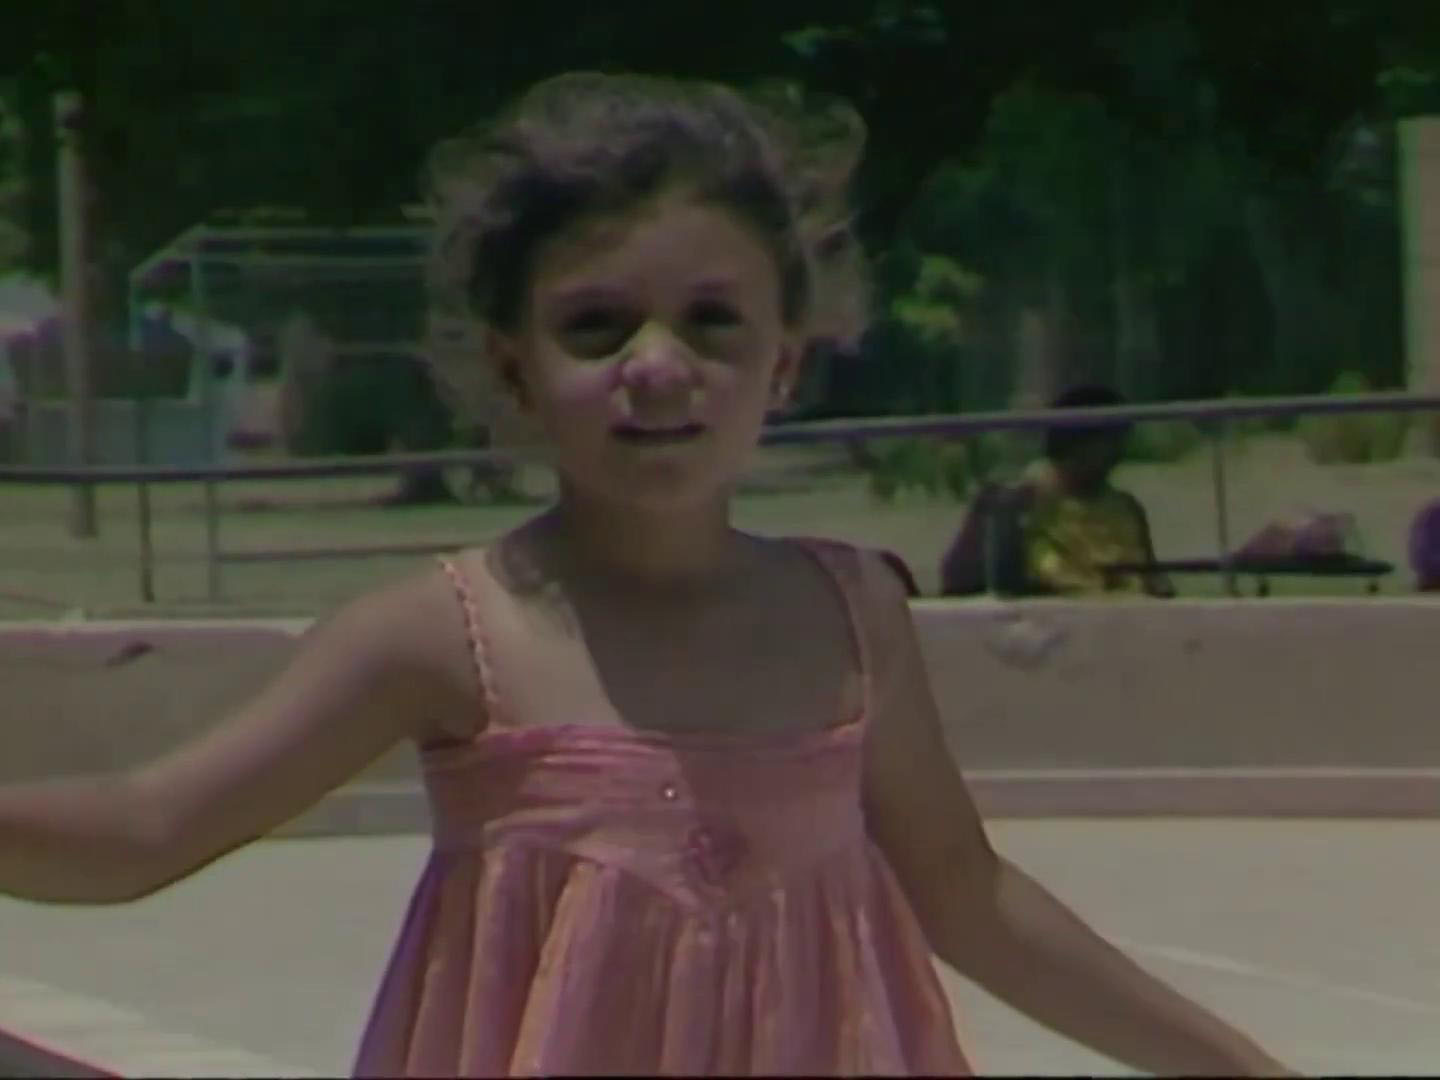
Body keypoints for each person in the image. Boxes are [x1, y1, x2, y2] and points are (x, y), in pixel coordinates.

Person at [0, 73, 1289, 1077]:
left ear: (786, 361)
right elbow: (145, 828)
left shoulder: (853, 617)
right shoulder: (447, 636)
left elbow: (968, 893)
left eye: (713, 321)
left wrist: (1237, 1066)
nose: (659, 366)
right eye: (597, 326)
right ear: (515, 369)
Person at [941, 385, 1175, 599]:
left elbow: (1153, 579)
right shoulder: (1013, 502)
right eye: (1109, 439)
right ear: (1075, 441)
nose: (1118, 451)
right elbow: (960, 583)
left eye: (1120, 438)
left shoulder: (1126, 508)